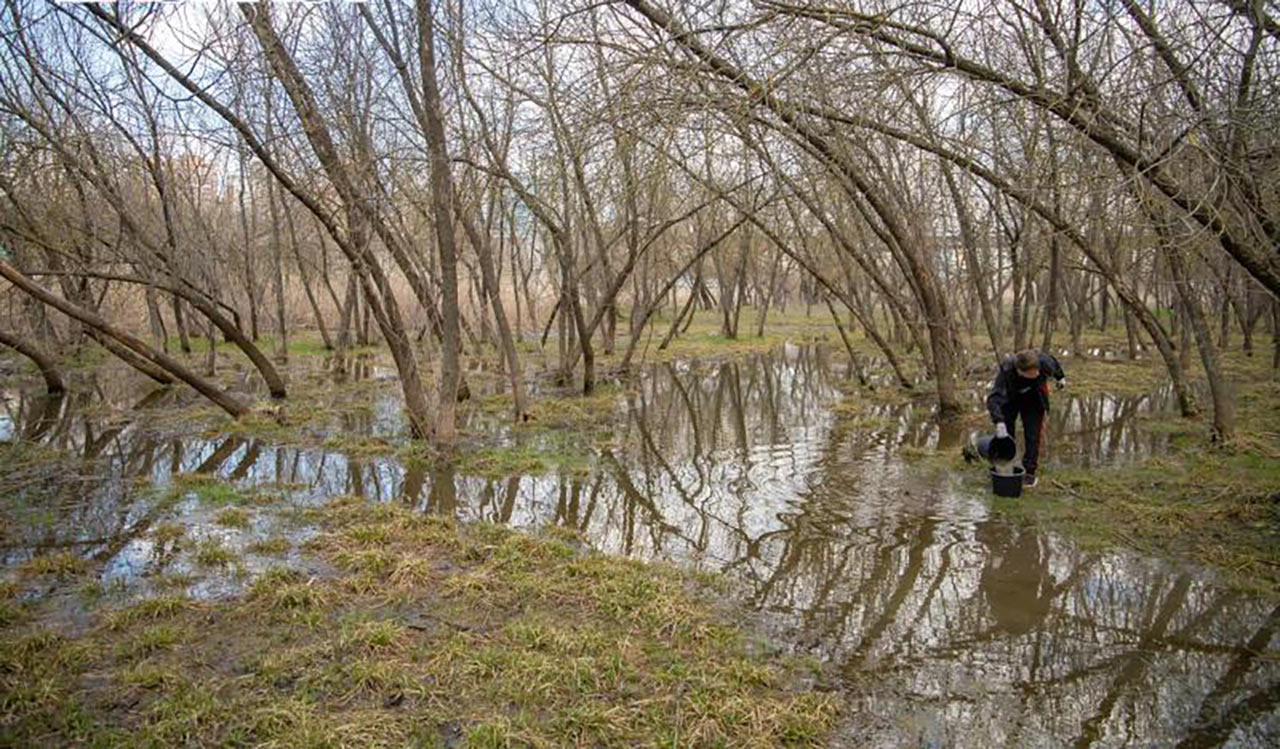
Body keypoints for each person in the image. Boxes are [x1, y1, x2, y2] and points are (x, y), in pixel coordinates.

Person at [986, 349, 1066, 487]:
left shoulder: (1043, 362)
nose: (1037, 374)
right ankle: (1005, 465)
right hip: (1011, 399)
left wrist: (1061, 378)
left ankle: (1029, 472)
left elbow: (1054, 363)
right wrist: (999, 421)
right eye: (1032, 373)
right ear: (1020, 371)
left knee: (1032, 435)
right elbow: (994, 399)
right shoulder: (1007, 369)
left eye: (1037, 371)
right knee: (1006, 434)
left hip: (1034, 399)